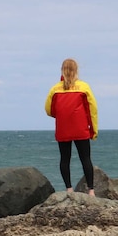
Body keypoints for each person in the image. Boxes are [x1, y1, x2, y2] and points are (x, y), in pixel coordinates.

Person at [45, 58, 99, 196]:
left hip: (63, 128)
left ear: (62, 70)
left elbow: (49, 110)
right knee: (85, 159)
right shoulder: (84, 87)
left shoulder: (55, 88)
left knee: (65, 159)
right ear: (76, 70)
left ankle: (69, 189)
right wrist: (93, 130)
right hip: (80, 128)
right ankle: (91, 191)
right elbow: (92, 109)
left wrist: (62, 117)